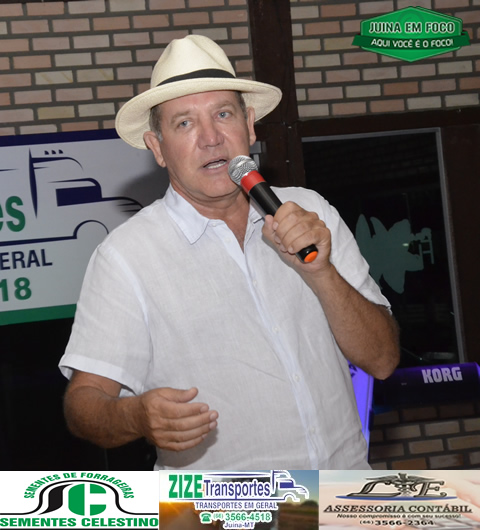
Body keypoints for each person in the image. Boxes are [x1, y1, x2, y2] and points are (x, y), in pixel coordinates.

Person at [58, 34, 400, 469]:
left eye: (223, 114)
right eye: (185, 123)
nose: (211, 138)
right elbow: (83, 405)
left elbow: (383, 359)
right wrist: (135, 416)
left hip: (342, 493)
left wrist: (322, 273)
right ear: (157, 148)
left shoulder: (309, 211)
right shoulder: (127, 256)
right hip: (220, 503)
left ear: (249, 125)